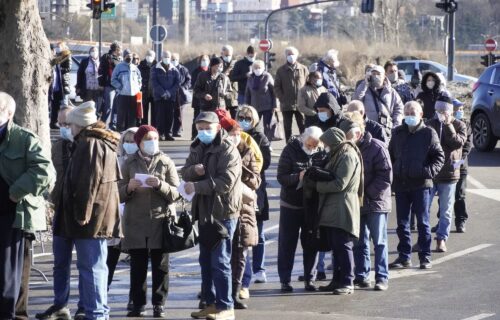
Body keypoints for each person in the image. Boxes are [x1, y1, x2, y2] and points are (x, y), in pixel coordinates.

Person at [61, 101, 121, 320]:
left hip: (92, 218)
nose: (68, 127)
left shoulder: (90, 144)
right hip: (99, 216)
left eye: (71, 124)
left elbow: (88, 182)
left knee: (92, 268)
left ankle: (96, 314)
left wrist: (81, 214)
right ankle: (99, 312)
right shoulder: (98, 141)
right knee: (96, 267)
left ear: (79, 125)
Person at [182, 111, 242, 320]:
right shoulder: (197, 146)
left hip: (223, 212)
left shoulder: (228, 149)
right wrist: (193, 172)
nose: (204, 132)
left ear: (217, 127)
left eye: (207, 128)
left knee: (221, 262)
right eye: (200, 128)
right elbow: (185, 171)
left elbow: (226, 182)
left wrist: (197, 185)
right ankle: (209, 303)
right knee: (206, 262)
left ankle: (226, 307)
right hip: (203, 212)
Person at [0, 92, 55, 319]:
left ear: (8, 113)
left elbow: (45, 172)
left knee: (8, 276)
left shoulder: (24, 139)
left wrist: (14, 193)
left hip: (13, 214)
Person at [119, 125, 180, 318]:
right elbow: (117, 193)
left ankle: (159, 303)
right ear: (139, 142)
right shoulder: (129, 163)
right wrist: (128, 188)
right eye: (147, 138)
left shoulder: (165, 161)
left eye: (154, 138)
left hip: (160, 221)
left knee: (160, 266)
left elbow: (177, 193)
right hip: (135, 222)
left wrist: (160, 185)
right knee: (137, 266)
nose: (152, 142)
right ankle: (138, 304)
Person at [36, 106, 86, 320]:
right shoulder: (57, 147)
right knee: (60, 263)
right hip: (61, 212)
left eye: (67, 124)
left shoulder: (88, 146)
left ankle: (85, 305)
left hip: (83, 214)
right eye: (60, 124)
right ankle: (60, 304)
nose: (63, 128)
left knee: (86, 264)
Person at [389, 101, 445, 270]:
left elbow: (439, 157)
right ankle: (404, 256)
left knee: (423, 223)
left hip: (421, 185)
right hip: (401, 185)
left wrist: (426, 172)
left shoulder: (428, 133)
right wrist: (395, 173)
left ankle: (425, 256)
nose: (409, 116)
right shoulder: (397, 132)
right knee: (402, 224)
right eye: (407, 113)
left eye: (413, 113)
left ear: (420, 114)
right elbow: (391, 156)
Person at [342, 113, 392, 292]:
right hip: (358, 203)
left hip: (376, 203)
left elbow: (385, 176)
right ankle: (362, 275)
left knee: (379, 241)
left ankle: (381, 277)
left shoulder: (377, 147)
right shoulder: (348, 149)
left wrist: (365, 194)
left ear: (358, 133)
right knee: (360, 241)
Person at [277, 126, 328, 293]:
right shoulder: (290, 150)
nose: (312, 148)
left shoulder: (321, 153)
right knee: (287, 244)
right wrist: (297, 177)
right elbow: (281, 177)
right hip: (290, 204)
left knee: (311, 243)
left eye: (315, 145)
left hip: (311, 205)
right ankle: (285, 280)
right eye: (309, 144)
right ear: (303, 139)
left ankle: (309, 279)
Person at [218, 116, 261, 310]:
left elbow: (256, 180)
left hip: (243, 208)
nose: (236, 138)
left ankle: (236, 292)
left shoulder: (247, 150)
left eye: (237, 134)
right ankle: (220, 293)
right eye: (232, 134)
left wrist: (242, 181)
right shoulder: (218, 151)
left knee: (240, 252)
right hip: (223, 207)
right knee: (221, 253)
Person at [316, 127, 363, 295]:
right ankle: (337, 280)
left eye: (327, 143)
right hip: (334, 207)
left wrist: (318, 186)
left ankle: (348, 280)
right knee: (336, 247)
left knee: (343, 246)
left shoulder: (347, 155)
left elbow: (340, 183)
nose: (325, 146)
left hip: (343, 206)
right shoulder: (338, 153)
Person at [237, 106, 271, 291]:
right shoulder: (234, 136)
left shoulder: (260, 138)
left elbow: (264, 162)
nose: (244, 120)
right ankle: (243, 271)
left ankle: (259, 268)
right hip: (237, 191)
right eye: (241, 117)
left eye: (247, 118)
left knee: (259, 231)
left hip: (256, 189)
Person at [425, 98, 467, 252]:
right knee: (424, 208)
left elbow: (457, 143)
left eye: (444, 111)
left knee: (446, 210)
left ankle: (441, 239)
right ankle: (423, 239)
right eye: (438, 111)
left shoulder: (459, 125)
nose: (441, 114)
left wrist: (448, 125)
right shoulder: (430, 124)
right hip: (431, 174)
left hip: (449, 174)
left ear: (450, 111)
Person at [353, 65, 404, 138]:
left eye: (378, 74)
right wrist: (365, 83)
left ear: (384, 76)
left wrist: (396, 125)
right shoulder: (364, 89)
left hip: (386, 131)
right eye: (373, 74)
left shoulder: (391, 92)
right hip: (368, 131)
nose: (376, 76)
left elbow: (399, 109)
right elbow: (356, 101)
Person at [274, 46, 309, 142]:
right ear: (286, 56)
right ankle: (289, 146)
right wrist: (282, 98)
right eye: (289, 54)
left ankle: (304, 144)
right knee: (287, 127)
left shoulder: (303, 69)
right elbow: (276, 87)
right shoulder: (281, 70)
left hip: (301, 104)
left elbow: (308, 85)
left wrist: (306, 98)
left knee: (302, 126)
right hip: (286, 104)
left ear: (297, 55)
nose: (291, 56)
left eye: (293, 54)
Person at [451, 99, 472, 233]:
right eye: (457, 110)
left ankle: (460, 221)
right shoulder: (447, 124)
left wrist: (460, 161)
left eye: (461, 109)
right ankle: (442, 221)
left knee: (459, 195)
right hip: (446, 168)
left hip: (461, 167)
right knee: (444, 196)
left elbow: (467, 146)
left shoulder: (466, 125)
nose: (460, 112)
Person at [151, 51, 180, 141]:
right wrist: (162, 92)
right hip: (159, 97)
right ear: (161, 57)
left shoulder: (174, 70)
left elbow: (177, 83)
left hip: (171, 97)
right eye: (165, 56)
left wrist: (169, 92)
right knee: (160, 116)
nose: (167, 58)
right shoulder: (155, 68)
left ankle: (168, 133)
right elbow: (154, 83)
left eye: (168, 57)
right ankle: (160, 133)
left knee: (169, 116)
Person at [111, 51, 142, 132]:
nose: (130, 58)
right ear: (124, 56)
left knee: (132, 116)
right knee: (121, 116)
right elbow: (113, 80)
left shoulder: (135, 67)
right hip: (122, 95)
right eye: (128, 56)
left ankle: (131, 133)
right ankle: (120, 133)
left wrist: (138, 87)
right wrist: (120, 87)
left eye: (131, 56)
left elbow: (139, 79)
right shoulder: (119, 67)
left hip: (133, 95)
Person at [245, 59, 276, 132]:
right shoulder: (250, 78)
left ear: (263, 68)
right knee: (254, 126)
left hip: (267, 106)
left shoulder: (267, 76)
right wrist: (246, 106)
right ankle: (257, 142)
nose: (257, 69)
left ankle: (267, 142)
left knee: (267, 126)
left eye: (259, 68)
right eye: (255, 68)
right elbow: (247, 93)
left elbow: (274, 92)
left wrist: (274, 105)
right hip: (254, 106)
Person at [98, 41, 122, 125]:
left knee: (116, 107)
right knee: (109, 106)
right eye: (120, 49)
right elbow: (101, 71)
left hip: (118, 87)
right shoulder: (107, 57)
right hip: (109, 86)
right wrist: (101, 84)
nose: (121, 51)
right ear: (116, 49)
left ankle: (113, 124)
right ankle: (103, 124)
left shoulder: (119, 59)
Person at [49, 42, 72, 129]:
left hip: (63, 83)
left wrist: (59, 69)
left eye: (60, 47)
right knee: (55, 106)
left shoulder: (67, 56)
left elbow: (68, 69)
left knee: (64, 105)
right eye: (57, 47)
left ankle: (65, 123)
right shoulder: (55, 57)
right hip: (56, 85)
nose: (58, 48)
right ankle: (53, 122)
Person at [190, 55, 210, 140]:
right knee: (197, 118)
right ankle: (194, 135)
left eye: (206, 60)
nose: (204, 61)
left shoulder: (210, 71)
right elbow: (194, 85)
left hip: (208, 100)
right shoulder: (196, 71)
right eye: (203, 60)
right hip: (198, 99)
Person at [172, 52, 192, 137]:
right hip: (171, 94)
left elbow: (188, 80)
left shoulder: (183, 69)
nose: (174, 61)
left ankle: (177, 131)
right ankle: (169, 130)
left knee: (179, 114)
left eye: (176, 59)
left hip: (181, 95)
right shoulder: (168, 69)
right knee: (170, 114)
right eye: (172, 59)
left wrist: (183, 87)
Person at [138, 50, 156, 126]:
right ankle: (144, 128)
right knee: (144, 112)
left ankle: (153, 128)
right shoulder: (141, 66)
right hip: (144, 91)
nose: (149, 56)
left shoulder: (157, 65)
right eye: (148, 55)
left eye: (151, 55)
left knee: (155, 112)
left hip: (154, 92)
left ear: (154, 56)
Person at [220, 45, 239, 118]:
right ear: (222, 53)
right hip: (222, 96)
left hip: (233, 95)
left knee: (234, 117)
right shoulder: (218, 62)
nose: (228, 57)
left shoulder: (236, 63)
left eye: (229, 55)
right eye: (226, 55)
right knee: (222, 118)